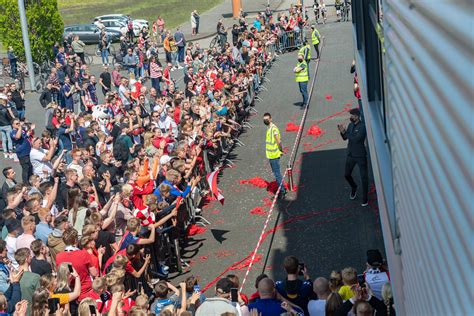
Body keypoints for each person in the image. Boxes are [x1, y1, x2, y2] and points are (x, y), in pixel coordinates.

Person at [337, 108, 368, 206]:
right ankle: (354, 187)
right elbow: (345, 138)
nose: (351, 117)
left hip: (360, 155)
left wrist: (346, 133)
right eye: (351, 115)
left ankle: (365, 198)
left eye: (353, 115)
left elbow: (357, 139)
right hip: (351, 154)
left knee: (364, 177)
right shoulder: (350, 125)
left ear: (357, 117)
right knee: (347, 175)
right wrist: (342, 132)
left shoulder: (363, 127)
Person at [263, 113, 286, 199]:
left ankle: (282, 191)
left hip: (274, 155)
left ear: (271, 119)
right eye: (264, 119)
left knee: (277, 174)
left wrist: (281, 150)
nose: (265, 120)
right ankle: (282, 188)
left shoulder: (273, 129)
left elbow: (278, 141)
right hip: (271, 155)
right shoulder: (269, 128)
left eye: (267, 119)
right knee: (276, 173)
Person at [10, 119, 33, 183]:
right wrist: (20, 128)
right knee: (26, 168)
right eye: (17, 124)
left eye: (19, 123)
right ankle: (25, 183)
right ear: (13, 125)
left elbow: (24, 137)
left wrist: (28, 131)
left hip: (28, 151)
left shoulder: (21, 130)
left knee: (30, 167)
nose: (18, 124)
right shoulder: (13, 132)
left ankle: (31, 181)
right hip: (22, 154)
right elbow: (18, 137)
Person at [0, 94, 15, 160]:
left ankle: (5, 153)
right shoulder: (5, 108)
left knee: (3, 139)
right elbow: (9, 117)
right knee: (9, 139)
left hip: (1, 125)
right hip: (7, 125)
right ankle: (10, 152)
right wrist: (13, 120)